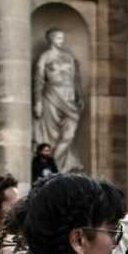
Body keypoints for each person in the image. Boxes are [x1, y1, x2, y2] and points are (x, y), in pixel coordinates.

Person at [34, 28, 84, 172]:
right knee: (51, 135)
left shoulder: (68, 57)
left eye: (62, 38)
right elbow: (38, 80)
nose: (60, 41)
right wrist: (37, 101)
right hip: (51, 94)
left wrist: (79, 95)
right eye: (58, 38)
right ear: (50, 39)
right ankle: (53, 169)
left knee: (69, 133)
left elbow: (75, 79)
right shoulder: (45, 56)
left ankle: (54, 166)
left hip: (69, 95)